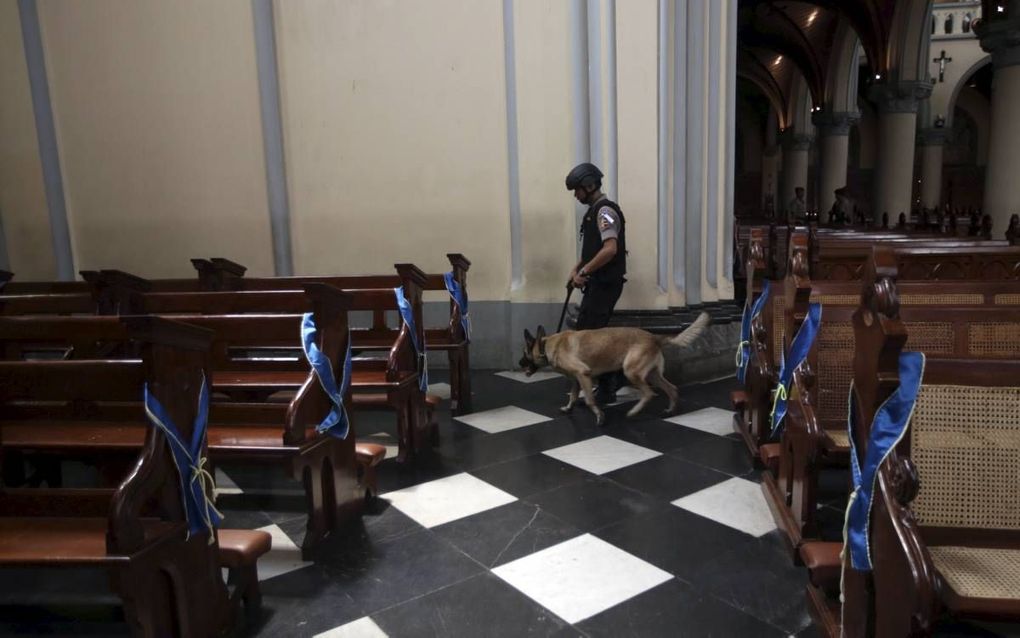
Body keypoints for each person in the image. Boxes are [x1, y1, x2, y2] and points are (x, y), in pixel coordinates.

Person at [565, 162, 627, 403]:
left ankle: (611, 384)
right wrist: (576, 268)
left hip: (606, 283)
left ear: (589, 186)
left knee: (590, 337)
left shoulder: (605, 212)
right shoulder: (593, 212)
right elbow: (593, 249)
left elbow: (610, 249)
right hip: (597, 283)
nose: (575, 195)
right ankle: (606, 383)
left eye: (577, 189)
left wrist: (586, 271)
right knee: (590, 335)